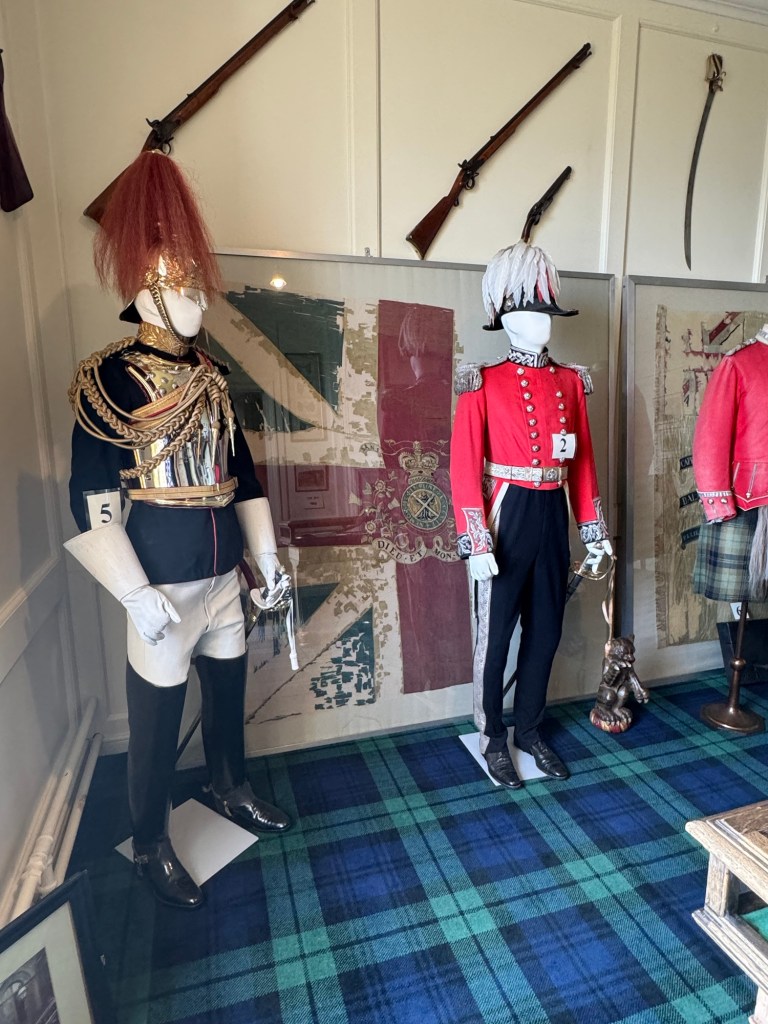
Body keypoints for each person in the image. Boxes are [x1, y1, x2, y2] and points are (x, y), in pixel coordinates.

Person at [65, 150, 291, 910]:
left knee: (227, 698)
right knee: (157, 722)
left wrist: (266, 556)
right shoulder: (107, 380)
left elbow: (242, 478)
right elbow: (94, 495)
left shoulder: (213, 380)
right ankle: (150, 840)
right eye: (188, 289)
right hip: (160, 575)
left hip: (224, 576)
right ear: (149, 292)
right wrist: (132, 592)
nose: (201, 302)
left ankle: (231, 786)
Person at [450, 241, 611, 789]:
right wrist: (476, 541)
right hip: (506, 511)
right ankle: (492, 736)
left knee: (545, 633)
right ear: (504, 314)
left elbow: (583, 463)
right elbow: (464, 467)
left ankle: (531, 729)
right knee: (495, 638)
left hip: (552, 511)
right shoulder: (482, 381)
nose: (542, 320)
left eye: (547, 309)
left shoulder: (570, 382)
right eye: (529, 308)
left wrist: (593, 531)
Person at [693, 322, 768, 603]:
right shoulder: (739, 363)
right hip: (750, 502)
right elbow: (711, 437)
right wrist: (718, 503)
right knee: (746, 593)